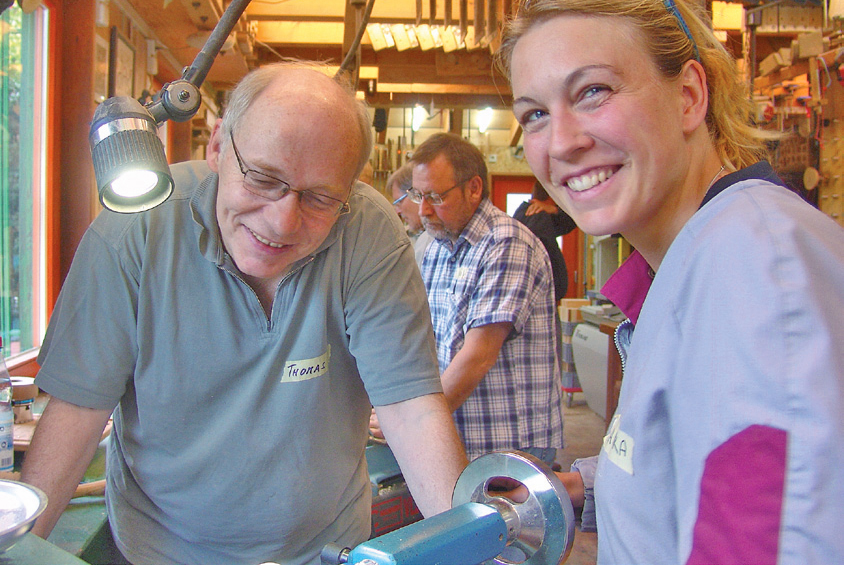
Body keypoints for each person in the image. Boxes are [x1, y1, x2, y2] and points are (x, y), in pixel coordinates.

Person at [21, 62, 468, 565]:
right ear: (217, 146)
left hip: (325, 548)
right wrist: (17, 545)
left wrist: (471, 545)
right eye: (263, 179)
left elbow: (411, 409)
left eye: (320, 197)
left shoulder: (369, 233)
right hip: (158, 551)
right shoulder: (134, 229)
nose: (282, 221)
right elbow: (77, 412)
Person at [496, 0, 844, 564]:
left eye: (593, 92)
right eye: (535, 115)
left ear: (688, 96)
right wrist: (587, 488)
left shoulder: (753, 264)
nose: (561, 143)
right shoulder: (689, 263)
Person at [405, 132, 565, 463]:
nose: (423, 210)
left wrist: (414, 423)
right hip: (456, 433)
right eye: (418, 195)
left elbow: (478, 355)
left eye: (435, 197)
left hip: (507, 443)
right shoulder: (436, 248)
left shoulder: (507, 243)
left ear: (474, 188)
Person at [512, 180, 577, 302]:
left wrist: (555, 210)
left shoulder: (522, 216)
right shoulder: (539, 218)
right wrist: (559, 287)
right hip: (539, 296)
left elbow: (571, 221)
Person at [386, 163, 433, 266]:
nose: (397, 211)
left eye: (399, 202)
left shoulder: (433, 241)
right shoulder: (406, 237)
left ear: (416, 194)